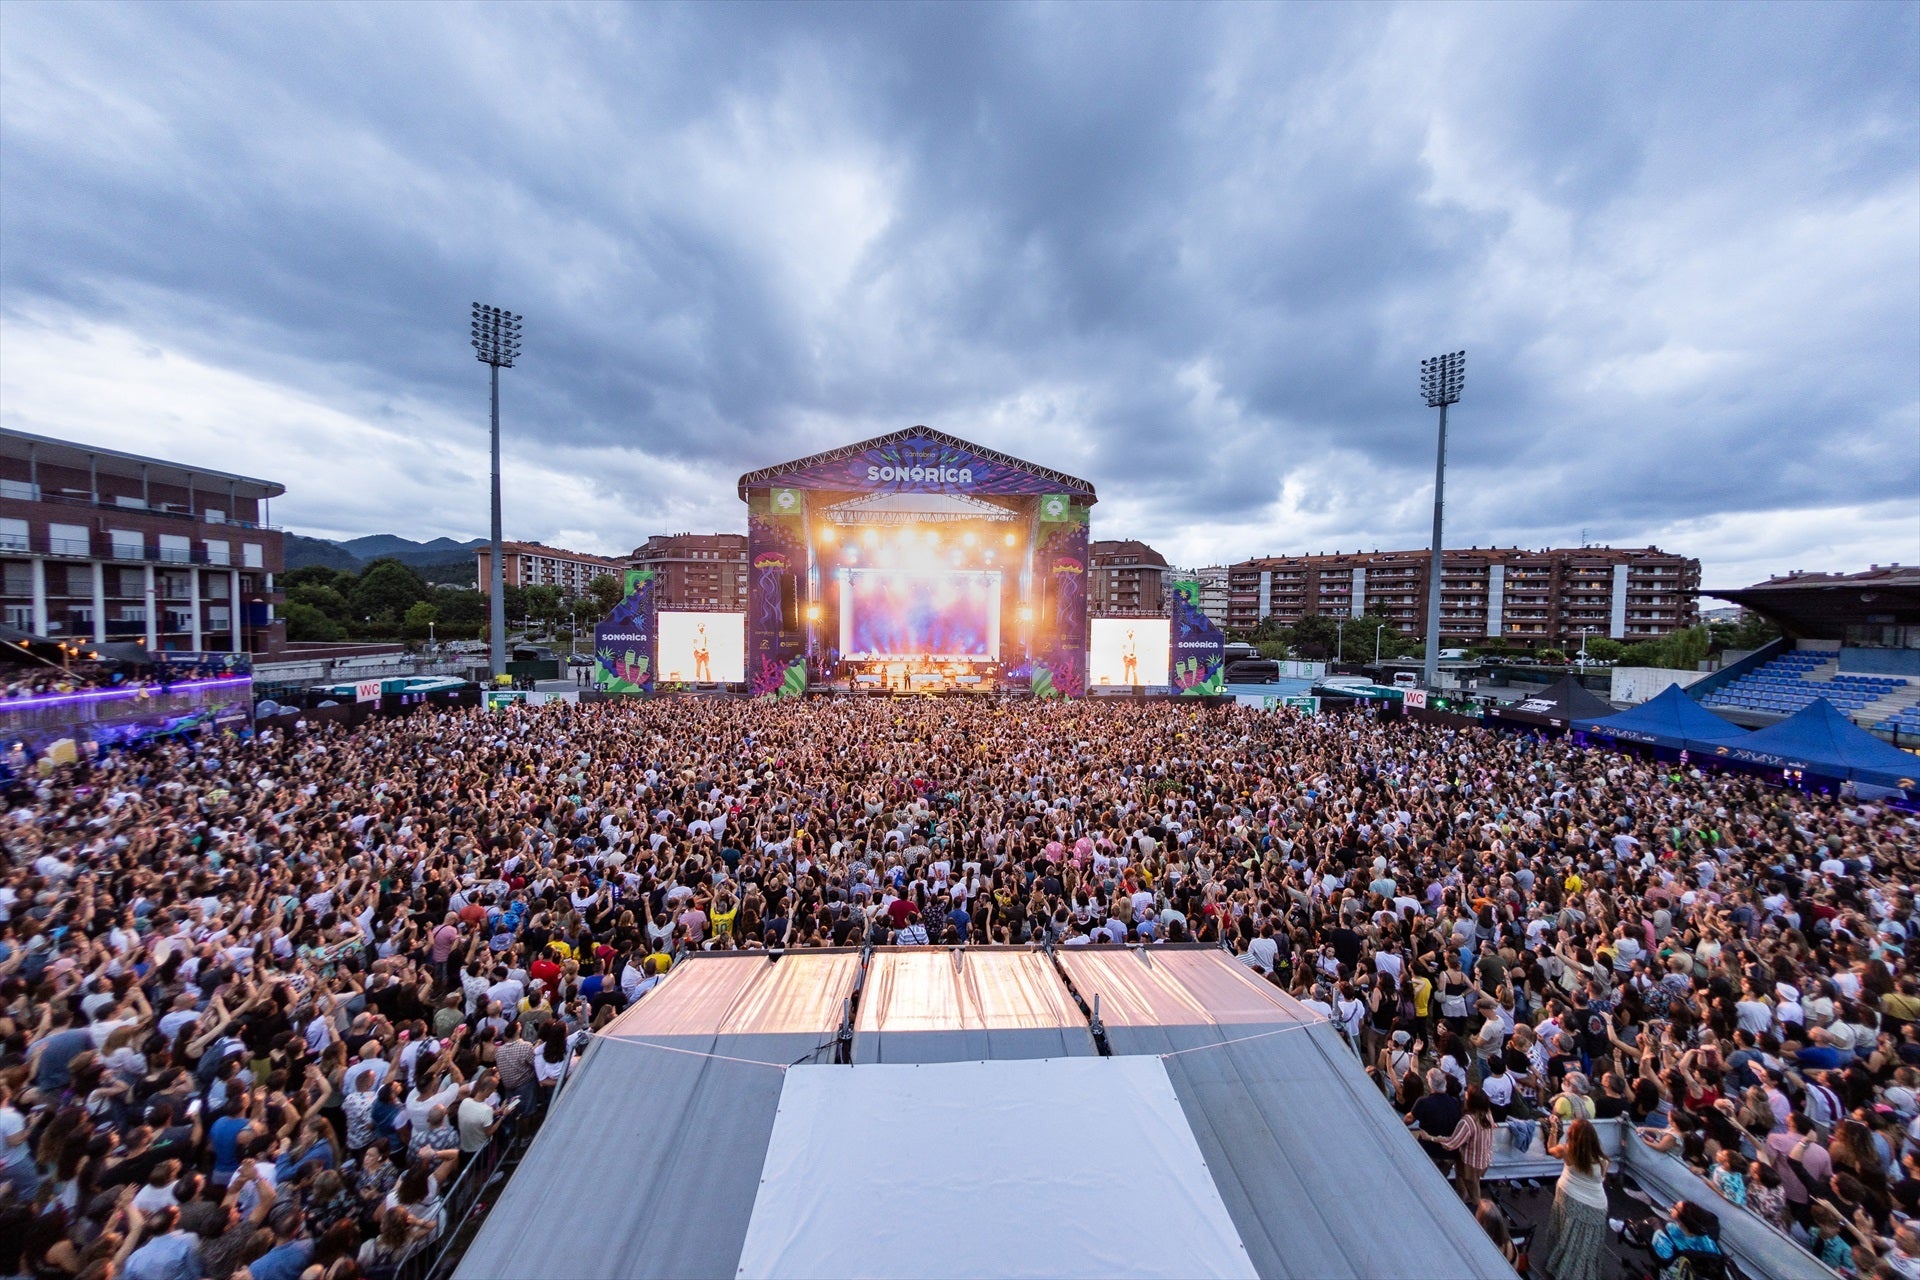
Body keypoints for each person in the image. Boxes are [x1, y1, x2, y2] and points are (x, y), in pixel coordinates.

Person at [1537, 1118, 1608, 1280]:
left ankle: (1559, 1268)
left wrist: (1554, 1128)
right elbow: (1601, 1179)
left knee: (1565, 1235)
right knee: (1585, 1245)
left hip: (1570, 1198)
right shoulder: (1602, 1159)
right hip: (1597, 1206)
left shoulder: (1567, 1151)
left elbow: (1550, 1149)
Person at [1440, 1087, 1497, 1206]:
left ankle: (1480, 1215)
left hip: (1470, 1164)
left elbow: (1452, 1144)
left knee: (1475, 1194)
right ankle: (1463, 1201)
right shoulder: (1487, 1114)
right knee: (1466, 1181)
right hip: (1483, 1160)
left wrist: (1431, 1138)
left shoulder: (1468, 1121)